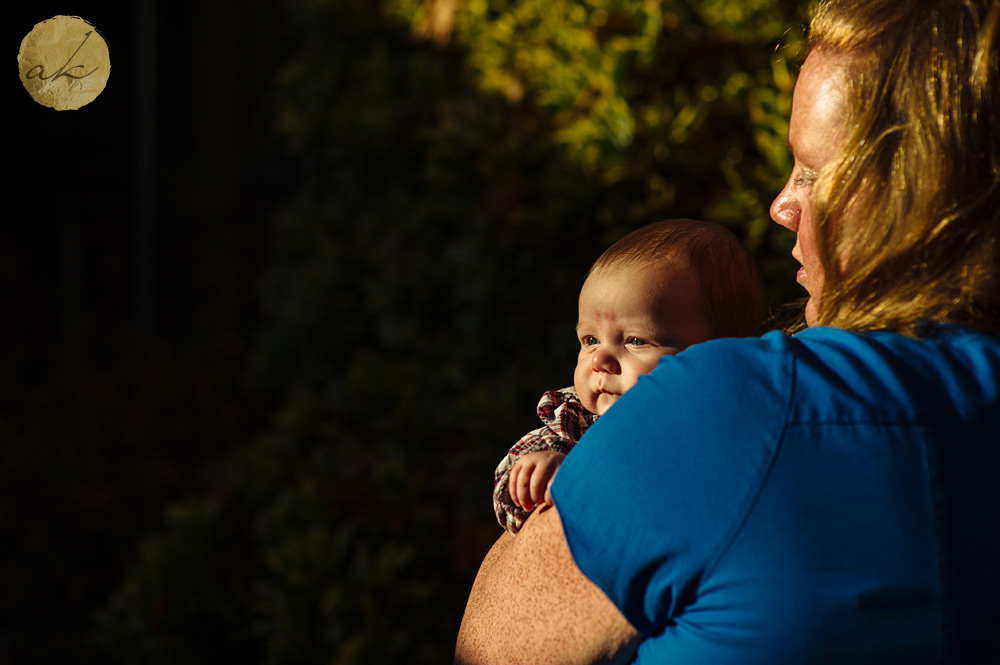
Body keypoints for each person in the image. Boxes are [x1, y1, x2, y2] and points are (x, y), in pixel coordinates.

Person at [455, 0, 1000, 663]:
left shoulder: (740, 409)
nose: (781, 204)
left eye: (815, 172)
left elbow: (496, 648)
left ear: (922, 196)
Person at [494, 219, 764, 535]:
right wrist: (541, 466)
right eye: (590, 340)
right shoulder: (575, 423)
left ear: (721, 354)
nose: (600, 359)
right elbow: (514, 474)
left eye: (635, 341)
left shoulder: (741, 424)